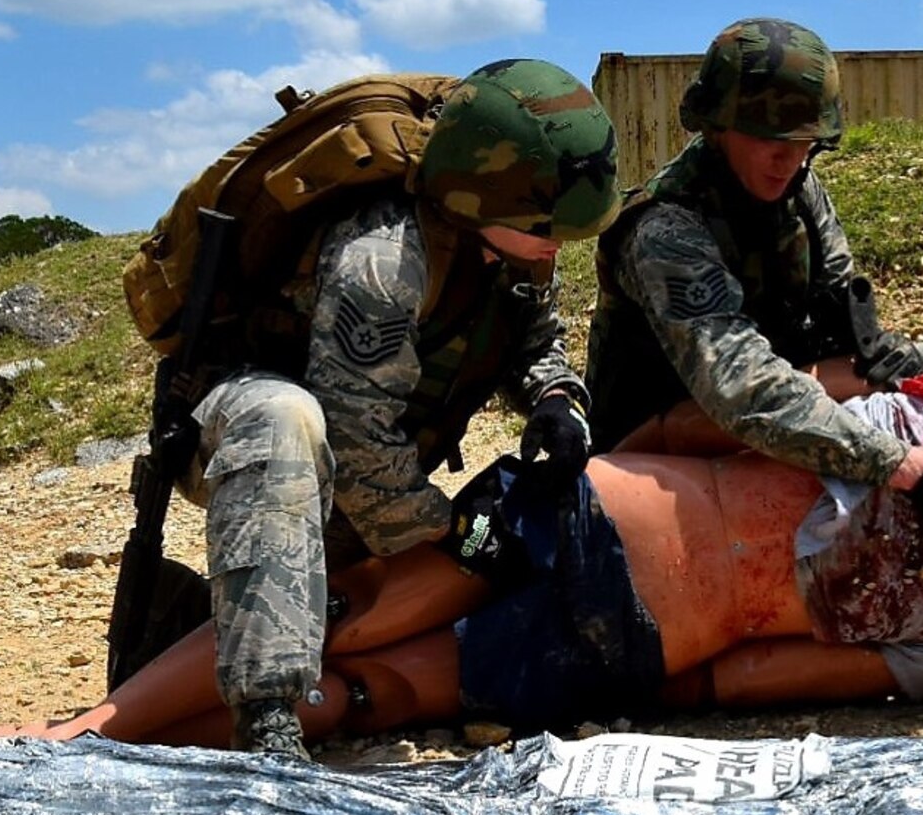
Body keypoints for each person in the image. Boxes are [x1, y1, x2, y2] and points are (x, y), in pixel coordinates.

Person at [0, 391, 923, 751]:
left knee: (345, 623)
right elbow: (754, 679)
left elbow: (708, 428)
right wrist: (637, 689)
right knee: (381, 692)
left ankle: (79, 734)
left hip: (590, 512)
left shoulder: (913, 435)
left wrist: (612, 462)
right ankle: (121, 745)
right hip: (626, 637)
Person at [170, 59, 623, 759]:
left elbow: (534, 341)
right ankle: (266, 720)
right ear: (478, 200)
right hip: (258, 437)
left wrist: (557, 398)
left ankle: (215, 641)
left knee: (364, 620)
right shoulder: (382, 262)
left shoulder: (518, 242)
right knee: (284, 416)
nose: (557, 243)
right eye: (545, 223)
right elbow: (352, 439)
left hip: (370, 469)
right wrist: (448, 527)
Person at [583, 16, 923, 576]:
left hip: (771, 400)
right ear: (716, 125)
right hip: (659, 444)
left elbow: (844, 311)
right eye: (767, 138)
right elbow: (744, 392)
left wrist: (892, 365)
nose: (786, 160)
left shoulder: (799, 193)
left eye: (802, 142)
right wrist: (915, 468)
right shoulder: (666, 229)